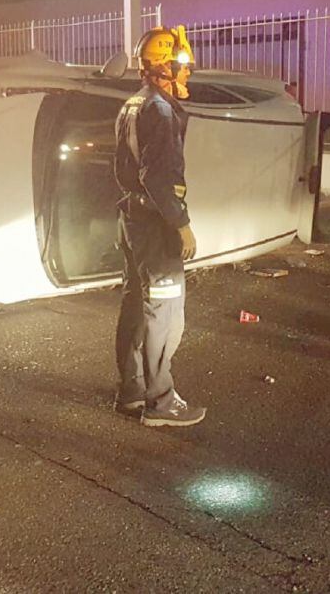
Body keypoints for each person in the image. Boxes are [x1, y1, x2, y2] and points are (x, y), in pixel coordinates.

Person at [113, 25, 206, 428]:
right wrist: (182, 225)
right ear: (164, 67)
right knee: (165, 311)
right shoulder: (161, 111)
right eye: (182, 65)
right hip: (154, 225)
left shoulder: (132, 105)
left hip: (132, 220)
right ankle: (161, 402)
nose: (187, 73)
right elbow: (157, 177)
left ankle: (132, 390)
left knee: (136, 303)